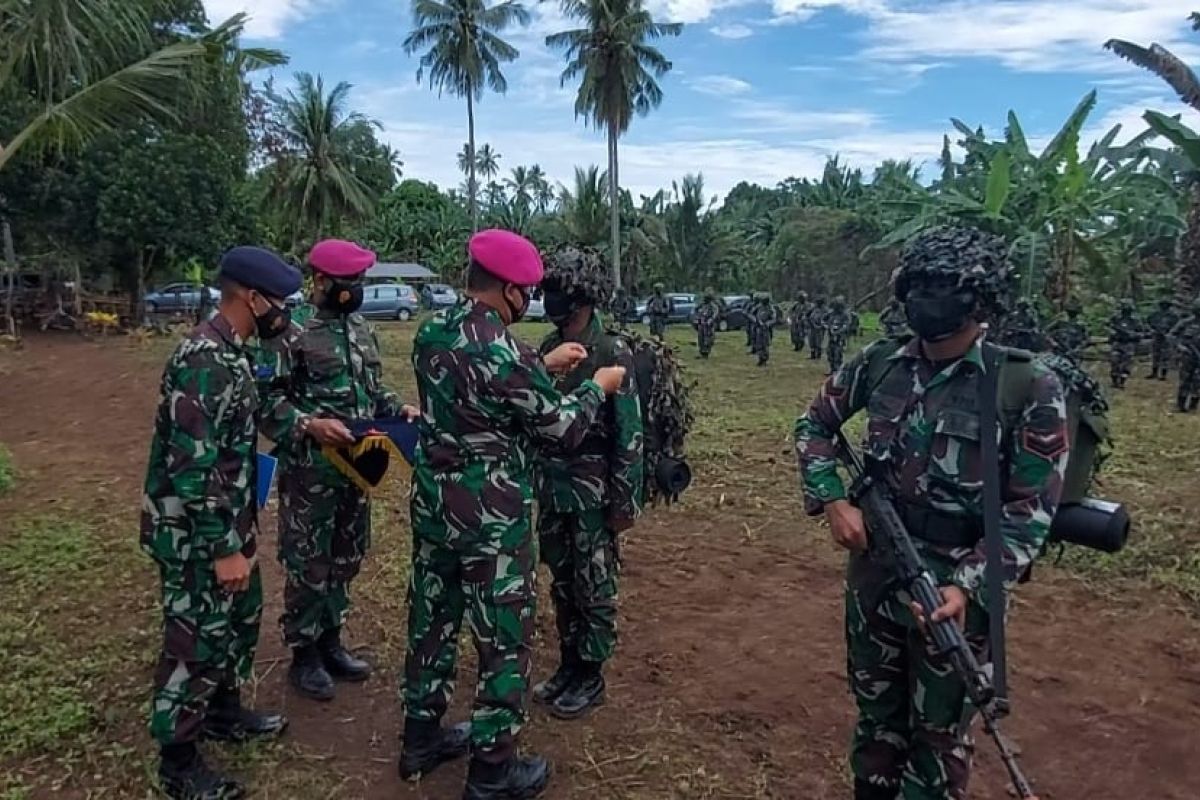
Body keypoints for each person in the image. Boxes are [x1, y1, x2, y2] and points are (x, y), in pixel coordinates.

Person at [795, 226, 1065, 800]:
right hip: (875, 572)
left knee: (940, 737)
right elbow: (814, 424)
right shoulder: (881, 363)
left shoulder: (1025, 384)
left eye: (944, 287)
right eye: (917, 285)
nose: (926, 298)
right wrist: (834, 499)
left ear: (981, 296)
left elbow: (1030, 509)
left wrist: (967, 586)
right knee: (877, 718)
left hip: (954, 589)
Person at [401, 230, 627, 799]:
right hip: (489, 518)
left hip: (435, 506)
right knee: (503, 637)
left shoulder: (431, 334)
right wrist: (597, 387)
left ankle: (420, 738)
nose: (529, 300)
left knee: (432, 621)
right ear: (506, 290)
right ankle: (493, 771)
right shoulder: (505, 351)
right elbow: (562, 428)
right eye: (524, 290)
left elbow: (479, 392)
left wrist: (539, 365)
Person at [141, 246, 298, 799]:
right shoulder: (203, 359)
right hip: (196, 534)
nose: (285, 312)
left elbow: (255, 419)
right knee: (193, 640)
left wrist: (312, 424)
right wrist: (222, 547)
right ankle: (178, 761)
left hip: (231, 521)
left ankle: (223, 711)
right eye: (280, 301)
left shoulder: (232, 353)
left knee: (237, 620)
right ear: (251, 299)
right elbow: (193, 464)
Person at [256, 239, 414, 702]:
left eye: (361, 283)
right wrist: (309, 425)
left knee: (346, 554)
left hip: (356, 463)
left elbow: (370, 390)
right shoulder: (289, 332)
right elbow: (267, 401)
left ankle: (331, 639)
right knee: (308, 561)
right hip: (310, 471)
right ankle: (303, 652)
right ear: (321, 282)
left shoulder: (361, 328)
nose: (355, 292)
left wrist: (395, 407)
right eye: (348, 284)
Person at [532, 246, 644, 720]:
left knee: (594, 585)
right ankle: (569, 663)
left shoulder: (611, 352)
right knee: (562, 582)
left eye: (558, 293)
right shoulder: (545, 350)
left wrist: (624, 502)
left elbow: (629, 433)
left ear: (582, 298)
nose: (549, 301)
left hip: (594, 493)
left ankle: (591, 673)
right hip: (552, 490)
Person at [1107, 299, 1144, 389]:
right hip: (1117, 343)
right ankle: (1114, 382)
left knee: (1126, 364)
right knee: (1114, 362)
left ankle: (1122, 383)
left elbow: (1141, 333)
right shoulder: (1115, 319)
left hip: (1128, 344)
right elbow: (1109, 327)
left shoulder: (1135, 321)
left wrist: (1133, 335)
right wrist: (1113, 334)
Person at [1171, 297, 1200, 412]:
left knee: (1198, 381)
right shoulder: (1186, 322)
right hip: (1187, 356)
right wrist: (1180, 347)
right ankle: (1181, 405)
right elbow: (1172, 335)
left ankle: (1193, 404)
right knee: (1185, 380)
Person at [1046, 299, 1090, 363]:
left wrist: (1078, 349)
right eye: (1070, 311)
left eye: (1074, 311)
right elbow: (1046, 332)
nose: (1072, 313)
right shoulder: (1060, 323)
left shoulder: (1081, 326)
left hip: (1073, 354)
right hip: (1058, 352)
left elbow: (1086, 340)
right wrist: (1052, 342)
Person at [1146, 298, 1180, 380]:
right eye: (1162, 305)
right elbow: (1148, 323)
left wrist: (1170, 333)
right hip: (1156, 336)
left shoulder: (1173, 316)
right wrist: (1152, 330)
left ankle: (1163, 374)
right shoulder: (1155, 314)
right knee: (1155, 354)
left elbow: (1177, 326)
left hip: (1167, 337)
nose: (1164, 306)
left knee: (1166, 355)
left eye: (1166, 305)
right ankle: (1154, 373)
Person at [824, 295, 855, 374]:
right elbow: (824, 320)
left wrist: (838, 332)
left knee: (837, 354)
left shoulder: (845, 315)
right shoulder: (831, 313)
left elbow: (847, 325)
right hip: (831, 337)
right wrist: (828, 327)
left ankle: (838, 371)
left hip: (839, 338)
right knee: (830, 353)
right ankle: (832, 369)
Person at [750, 292, 776, 367]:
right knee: (758, 343)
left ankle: (764, 359)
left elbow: (774, 319)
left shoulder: (770, 308)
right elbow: (751, 314)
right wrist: (756, 321)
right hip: (758, 327)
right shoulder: (758, 307)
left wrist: (768, 323)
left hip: (766, 329)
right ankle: (760, 358)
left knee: (765, 344)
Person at [694, 289, 721, 359]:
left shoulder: (713, 306)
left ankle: (706, 352)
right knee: (700, 338)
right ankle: (701, 352)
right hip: (701, 323)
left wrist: (711, 319)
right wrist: (697, 318)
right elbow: (696, 309)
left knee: (708, 338)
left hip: (709, 324)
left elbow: (715, 313)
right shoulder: (702, 304)